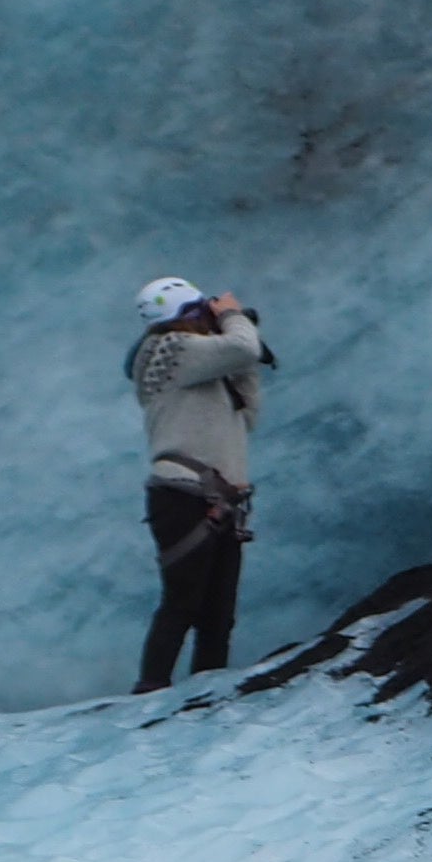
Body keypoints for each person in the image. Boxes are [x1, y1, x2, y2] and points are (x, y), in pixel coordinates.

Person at [125, 273, 273, 691]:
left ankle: (204, 696)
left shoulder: (200, 365)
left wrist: (245, 364)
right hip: (184, 495)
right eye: (198, 310)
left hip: (219, 499)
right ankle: (151, 690)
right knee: (183, 604)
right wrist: (234, 316)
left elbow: (247, 417)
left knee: (217, 614)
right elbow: (242, 345)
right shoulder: (169, 349)